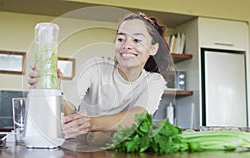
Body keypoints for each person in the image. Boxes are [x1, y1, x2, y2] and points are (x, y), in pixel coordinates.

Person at [28, 12, 174, 140]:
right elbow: (65, 108)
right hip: (84, 149)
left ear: (153, 48)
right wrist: (51, 90)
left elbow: (138, 118)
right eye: (121, 39)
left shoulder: (154, 81)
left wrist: (91, 122)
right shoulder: (95, 67)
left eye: (137, 40)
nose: (126, 45)